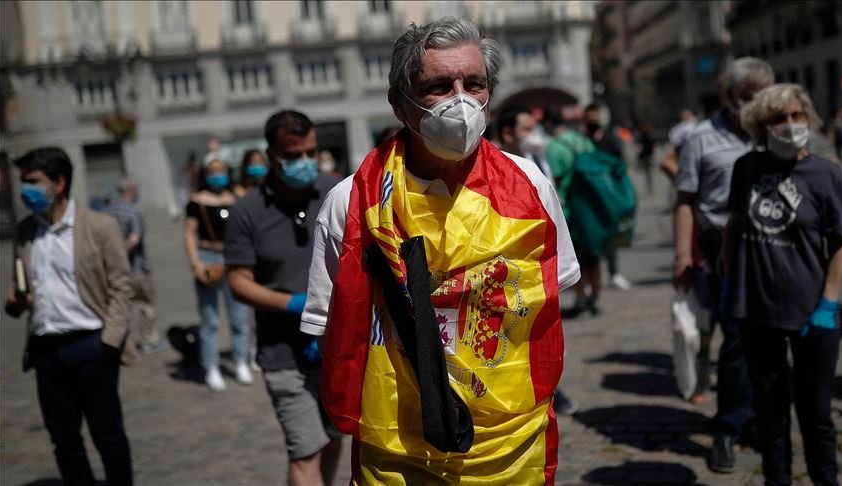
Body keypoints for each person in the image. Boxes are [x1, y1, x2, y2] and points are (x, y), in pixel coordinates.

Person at [300, 17, 579, 482]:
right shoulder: (351, 204)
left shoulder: (529, 185)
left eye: (474, 84)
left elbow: (548, 303)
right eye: (438, 86)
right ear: (400, 103)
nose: (461, 101)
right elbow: (335, 330)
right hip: (399, 449)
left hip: (511, 445)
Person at [726, 83, 842, 486]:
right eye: (778, 119)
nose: (788, 125)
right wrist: (731, 281)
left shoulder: (825, 174)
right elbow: (734, 225)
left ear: (808, 119)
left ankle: (826, 480)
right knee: (770, 412)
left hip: (812, 312)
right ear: (761, 125)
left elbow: (839, 244)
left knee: (816, 413)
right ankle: (777, 479)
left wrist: (829, 303)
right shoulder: (747, 168)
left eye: (795, 116)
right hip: (758, 312)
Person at [225, 110, 342, 484]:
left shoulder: (336, 191)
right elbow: (238, 282)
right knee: (305, 449)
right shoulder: (247, 211)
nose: (304, 162)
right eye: (293, 156)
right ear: (272, 155)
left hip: (336, 347)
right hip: (283, 354)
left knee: (333, 437)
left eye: (310, 152)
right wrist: (296, 305)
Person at [5, 147, 135, 485]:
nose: (25, 190)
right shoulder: (25, 232)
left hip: (92, 344)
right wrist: (16, 303)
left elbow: (122, 286)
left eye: (33, 182)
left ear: (59, 183)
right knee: (64, 440)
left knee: (107, 435)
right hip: (47, 349)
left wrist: (110, 342)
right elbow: (18, 290)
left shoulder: (100, 226)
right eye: (23, 182)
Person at [673, 57, 774, 473]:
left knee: (767, 343)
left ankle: (757, 419)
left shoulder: (770, 132)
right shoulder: (700, 138)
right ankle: (728, 428)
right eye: (751, 98)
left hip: (771, 250)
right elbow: (686, 201)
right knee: (734, 341)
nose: (757, 106)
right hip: (721, 252)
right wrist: (682, 256)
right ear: (729, 96)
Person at [183, 152, 251, 392]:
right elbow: (189, 233)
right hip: (208, 256)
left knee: (239, 316)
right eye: (212, 171)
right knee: (209, 318)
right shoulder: (197, 201)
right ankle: (211, 366)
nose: (217, 175)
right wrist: (196, 264)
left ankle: (241, 360)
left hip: (234, 259)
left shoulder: (235, 197)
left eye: (221, 170)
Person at [105, 178, 165, 354]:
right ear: (131, 191)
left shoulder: (108, 212)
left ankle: (123, 343)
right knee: (147, 306)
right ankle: (149, 341)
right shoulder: (133, 211)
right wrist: (121, 256)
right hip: (137, 268)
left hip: (115, 272)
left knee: (122, 309)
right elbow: (134, 239)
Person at [581, 103, 634, 295]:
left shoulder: (610, 140)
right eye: (591, 117)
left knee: (611, 234)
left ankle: (614, 272)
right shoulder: (582, 141)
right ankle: (589, 278)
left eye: (596, 116)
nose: (594, 120)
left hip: (608, 194)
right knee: (589, 238)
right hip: (588, 197)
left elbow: (620, 165)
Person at [497, 105, 555, 188]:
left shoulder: (539, 161)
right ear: (508, 134)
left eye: (535, 128)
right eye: (527, 129)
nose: (535, 134)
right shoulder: (496, 168)